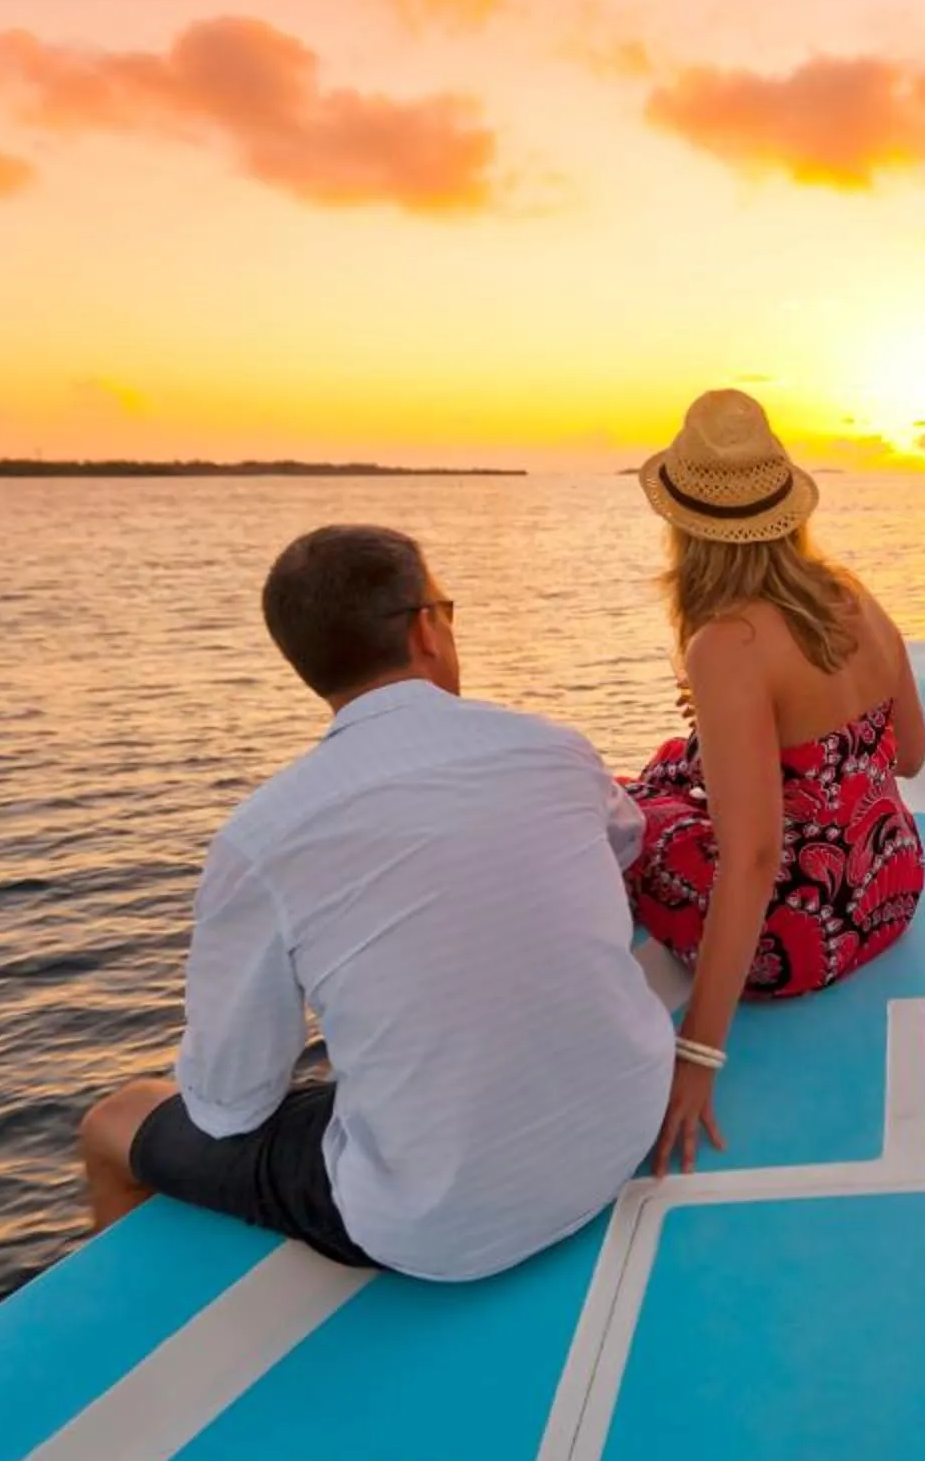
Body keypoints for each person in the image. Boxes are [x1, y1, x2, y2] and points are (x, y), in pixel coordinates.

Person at [77, 526, 675, 1281]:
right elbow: (623, 848)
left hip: (445, 1225)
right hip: (629, 1126)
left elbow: (232, 1103)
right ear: (427, 627)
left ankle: (141, 1355)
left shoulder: (262, 836)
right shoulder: (551, 746)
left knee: (115, 1120)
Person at [623, 389, 925, 1175]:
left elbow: (753, 861)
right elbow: (910, 756)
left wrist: (698, 1055)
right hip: (890, 886)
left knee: (635, 816)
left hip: (797, 941)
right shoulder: (851, 593)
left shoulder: (728, 644)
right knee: (675, 764)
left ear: (685, 526)